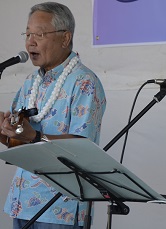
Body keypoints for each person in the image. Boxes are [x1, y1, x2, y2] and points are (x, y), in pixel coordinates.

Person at [0, 2, 106, 229]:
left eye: (39, 34)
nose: (30, 41)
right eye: (27, 34)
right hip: (22, 201)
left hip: (61, 209)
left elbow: (83, 150)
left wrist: (33, 137)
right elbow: (18, 140)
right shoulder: (31, 82)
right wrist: (5, 131)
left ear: (65, 38)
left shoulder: (84, 82)